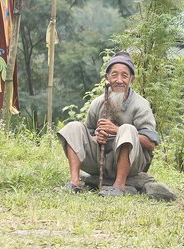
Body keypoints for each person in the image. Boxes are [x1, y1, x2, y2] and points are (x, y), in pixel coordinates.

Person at [57, 52, 175, 200]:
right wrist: (96, 137)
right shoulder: (98, 103)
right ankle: (75, 183)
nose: (119, 80)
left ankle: (119, 186)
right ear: (107, 78)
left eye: (124, 76)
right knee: (73, 127)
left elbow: (151, 144)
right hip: (100, 161)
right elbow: (88, 134)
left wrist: (118, 131)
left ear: (131, 79)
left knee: (127, 129)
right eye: (114, 75)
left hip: (132, 164)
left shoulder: (141, 105)